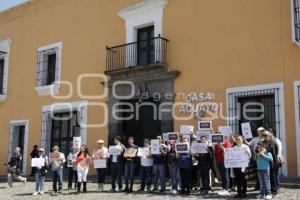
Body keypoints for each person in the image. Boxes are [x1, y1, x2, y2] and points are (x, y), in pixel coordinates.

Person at [263, 131, 281, 198]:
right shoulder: (262, 142)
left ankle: (274, 191)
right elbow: (256, 150)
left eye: (265, 135)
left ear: (269, 135)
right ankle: (267, 191)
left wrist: (261, 151)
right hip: (264, 163)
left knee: (273, 177)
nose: (264, 136)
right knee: (267, 177)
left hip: (273, 162)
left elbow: (268, 149)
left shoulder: (272, 142)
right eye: (263, 135)